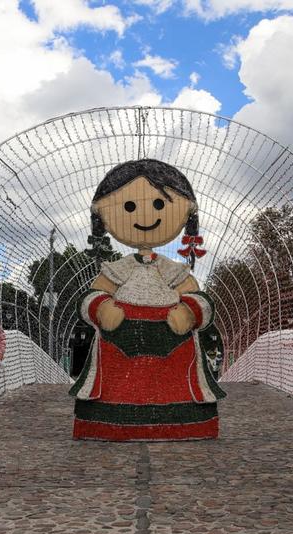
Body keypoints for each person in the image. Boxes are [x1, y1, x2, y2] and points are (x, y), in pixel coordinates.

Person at [70, 159, 225, 441]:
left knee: (172, 382)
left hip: (173, 344)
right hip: (119, 342)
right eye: (128, 206)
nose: (144, 214)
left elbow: (199, 299)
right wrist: (102, 307)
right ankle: (109, 424)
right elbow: (91, 297)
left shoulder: (173, 270)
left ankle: (184, 424)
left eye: (160, 205)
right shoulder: (119, 269)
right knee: (120, 385)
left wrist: (189, 313)